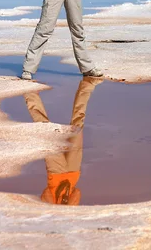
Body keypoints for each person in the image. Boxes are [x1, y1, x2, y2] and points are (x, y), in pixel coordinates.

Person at [23, 76, 104, 205]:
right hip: (73, 170)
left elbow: (46, 193)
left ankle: (29, 93)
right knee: (78, 125)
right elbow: (77, 192)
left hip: (56, 172)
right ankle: (86, 87)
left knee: (46, 130)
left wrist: (55, 208)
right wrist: (68, 207)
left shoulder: (49, 207)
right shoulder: (70, 210)